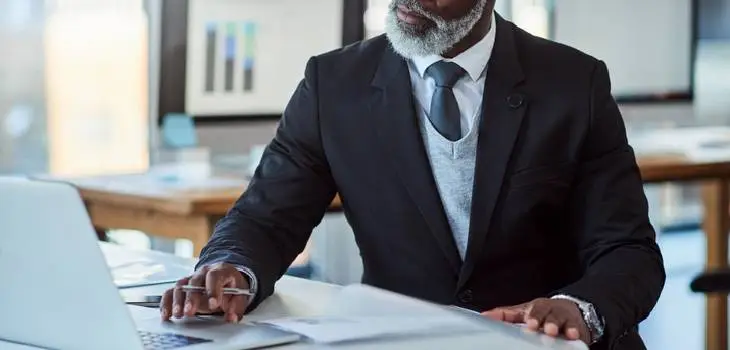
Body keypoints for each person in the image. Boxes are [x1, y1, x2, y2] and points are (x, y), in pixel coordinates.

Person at [159, 1, 665, 349]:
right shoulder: (333, 84)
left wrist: (577, 308)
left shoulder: (574, 83)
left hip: (540, 344)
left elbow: (629, 252)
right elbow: (266, 218)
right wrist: (232, 269)